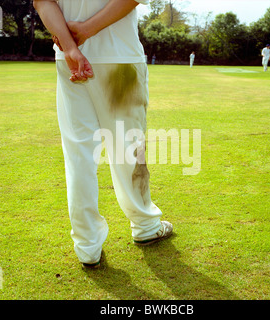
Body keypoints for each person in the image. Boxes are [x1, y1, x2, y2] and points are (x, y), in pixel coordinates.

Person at [33, 0, 173, 269]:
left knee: (79, 155)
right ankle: (145, 226)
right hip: (118, 56)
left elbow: (43, 2)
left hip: (69, 57)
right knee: (128, 148)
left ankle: (87, 246)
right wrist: (86, 29)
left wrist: (72, 46)